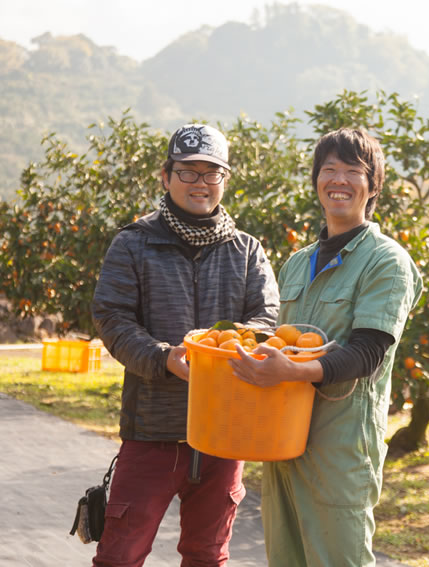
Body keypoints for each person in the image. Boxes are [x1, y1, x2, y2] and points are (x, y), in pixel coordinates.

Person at [229, 127, 423, 566]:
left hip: (340, 446)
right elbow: (280, 341)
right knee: (287, 559)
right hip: (283, 437)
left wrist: (292, 372)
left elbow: (368, 352)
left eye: (353, 171)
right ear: (316, 180)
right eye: (329, 169)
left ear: (373, 185)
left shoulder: (387, 261)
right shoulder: (297, 263)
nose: (339, 180)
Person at [90, 123, 279, 566]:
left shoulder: (246, 250)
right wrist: (163, 359)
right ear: (166, 176)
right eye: (188, 172)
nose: (200, 183)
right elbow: (112, 318)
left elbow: (266, 319)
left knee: (207, 555)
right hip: (153, 429)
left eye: (211, 173)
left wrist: (228, 349)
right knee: (120, 554)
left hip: (224, 433)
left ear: (225, 180)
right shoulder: (134, 244)